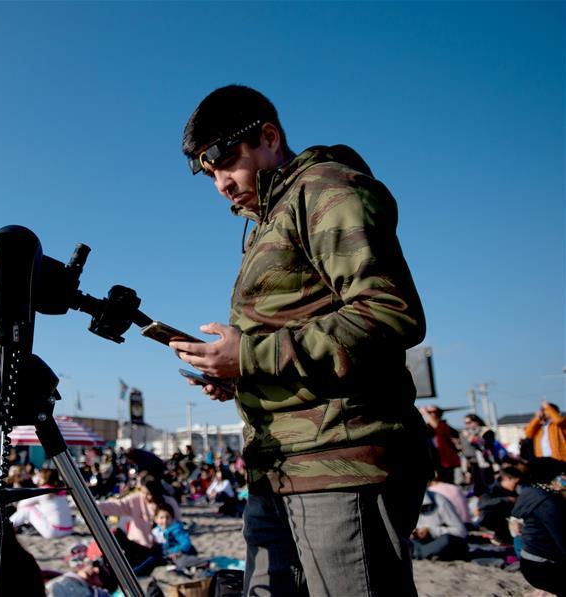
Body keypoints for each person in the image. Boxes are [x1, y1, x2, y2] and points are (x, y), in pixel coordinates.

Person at [171, 84, 429, 597]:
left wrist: (249, 354)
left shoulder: (325, 189)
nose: (221, 183)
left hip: (339, 459)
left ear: (268, 136)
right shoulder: (269, 218)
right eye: (210, 174)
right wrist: (240, 372)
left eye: (226, 163)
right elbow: (295, 330)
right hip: (278, 462)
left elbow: (390, 312)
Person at [511, 457, 565, 596]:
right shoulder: (547, 502)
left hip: (529, 561)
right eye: (563, 474)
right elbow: (562, 539)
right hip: (543, 567)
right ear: (552, 478)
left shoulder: (532, 493)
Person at [9, 468, 74, 538]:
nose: (38, 478)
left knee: (28, 509)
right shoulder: (60, 490)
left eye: (40, 476)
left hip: (53, 531)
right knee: (38, 507)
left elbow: (21, 504)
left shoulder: (44, 490)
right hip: (68, 530)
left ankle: (6, 526)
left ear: (44, 478)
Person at [409, 490, 469, 561]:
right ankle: (420, 553)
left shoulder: (440, 501)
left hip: (440, 541)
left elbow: (461, 532)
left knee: (447, 540)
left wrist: (431, 531)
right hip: (420, 542)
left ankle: (418, 553)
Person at [477, 466, 523, 543]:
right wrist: (506, 499)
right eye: (515, 483)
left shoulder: (514, 491)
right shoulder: (492, 490)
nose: (517, 486)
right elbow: (482, 504)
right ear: (507, 479)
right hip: (493, 525)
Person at [420, 406, 462, 483]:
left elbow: (437, 427)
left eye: (432, 412)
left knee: (446, 483)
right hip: (433, 461)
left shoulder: (443, 425)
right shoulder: (427, 427)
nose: (429, 414)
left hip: (444, 462)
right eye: (429, 412)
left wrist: (426, 413)